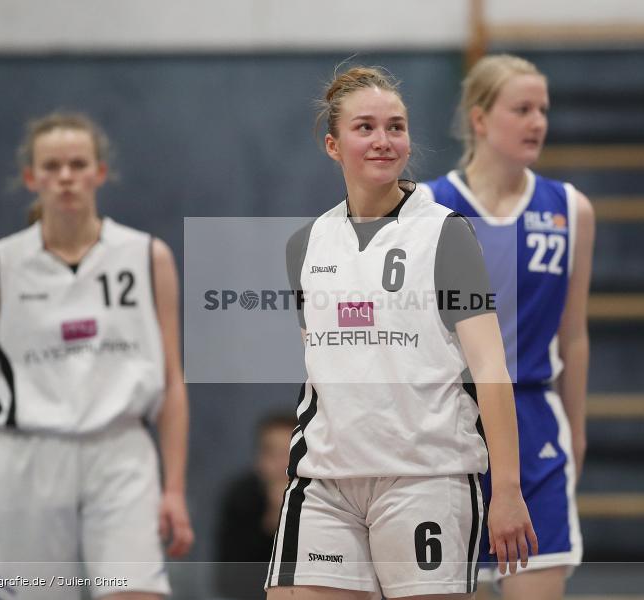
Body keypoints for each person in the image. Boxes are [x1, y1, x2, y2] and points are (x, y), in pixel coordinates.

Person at [266, 65, 537, 600]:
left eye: (396, 127)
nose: (384, 141)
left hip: (426, 478)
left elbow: (490, 368)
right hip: (326, 482)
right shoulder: (306, 244)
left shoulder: (445, 234)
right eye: (365, 127)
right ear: (332, 145)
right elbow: (319, 370)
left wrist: (506, 487)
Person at [0, 112, 194, 600]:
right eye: (52, 165)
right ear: (30, 177)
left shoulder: (148, 256)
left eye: (78, 164)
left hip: (121, 452)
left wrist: (174, 488)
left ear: (99, 173)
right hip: (29, 455)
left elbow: (172, 380)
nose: (65, 177)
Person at [425, 54, 595, 600]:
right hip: (449, 428)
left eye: (543, 109)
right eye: (522, 109)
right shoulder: (427, 206)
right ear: (480, 119)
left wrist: (578, 428)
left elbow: (575, 336)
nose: (537, 121)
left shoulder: (570, 208)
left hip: (535, 429)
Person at [215, 413, 295, 600]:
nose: (282, 463)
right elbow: (228, 581)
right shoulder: (242, 498)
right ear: (259, 459)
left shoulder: (326, 498)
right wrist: (271, 523)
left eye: (290, 453)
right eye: (272, 454)